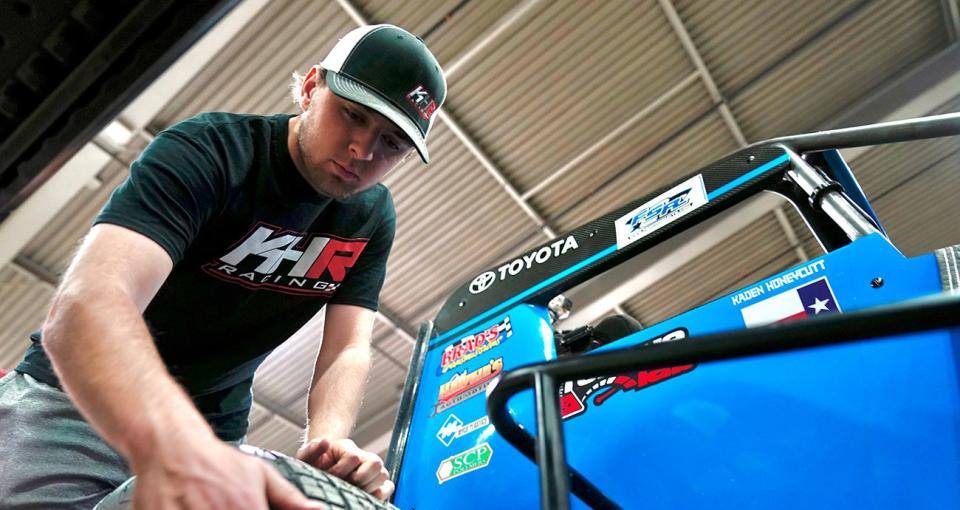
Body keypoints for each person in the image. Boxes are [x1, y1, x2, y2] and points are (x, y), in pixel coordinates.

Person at [0, 23, 446, 509]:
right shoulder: (211, 151)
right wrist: (176, 441)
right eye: (353, 116)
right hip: (75, 407)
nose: (364, 150)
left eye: (392, 144)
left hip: (214, 430)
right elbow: (87, 303)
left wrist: (330, 445)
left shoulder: (371, 217)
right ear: (313, 86)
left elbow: (348, 346)